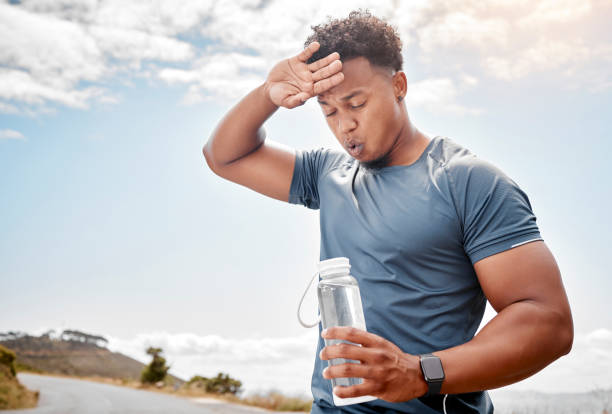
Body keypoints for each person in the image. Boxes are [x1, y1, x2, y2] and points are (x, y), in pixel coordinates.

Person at [203, 10, 573, 414]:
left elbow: (546, 321)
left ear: (399, 85)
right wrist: (266, 93)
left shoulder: (467, 181)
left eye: (356, 103)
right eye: (328, 111)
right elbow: (223, 156)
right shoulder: (329, 173)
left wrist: (418, 372)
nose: (345, 125)